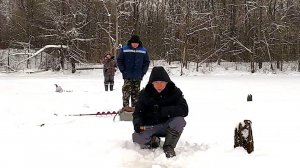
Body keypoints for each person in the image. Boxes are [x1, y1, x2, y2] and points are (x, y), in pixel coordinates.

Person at [132, 66, 189, 158]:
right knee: (136, 138)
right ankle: (153, 140)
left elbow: (184, 110)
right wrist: (137, 124)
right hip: (149, 126)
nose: (159, 86)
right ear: (152, 83)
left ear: (167, 82)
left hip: (168, 126)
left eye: (162, 82)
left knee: (179, 121)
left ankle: (169, 146)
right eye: (156, 83)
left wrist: (163, 111)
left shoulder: (175, 92)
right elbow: (138, 113)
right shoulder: (144, 94)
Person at [117, 35, 150, 107]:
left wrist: (143, 72)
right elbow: (119, 60)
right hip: (127, 76)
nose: (135, 44)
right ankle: (126, 108)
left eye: (136, 43)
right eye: (133, 43)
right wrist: (123, 71)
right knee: (126, 92)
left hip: (138, 76)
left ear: (139, 43)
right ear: (131, 43)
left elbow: (146, 62)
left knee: (136, 94)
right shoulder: (124, 49)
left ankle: (135, 110)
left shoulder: (143, 50)